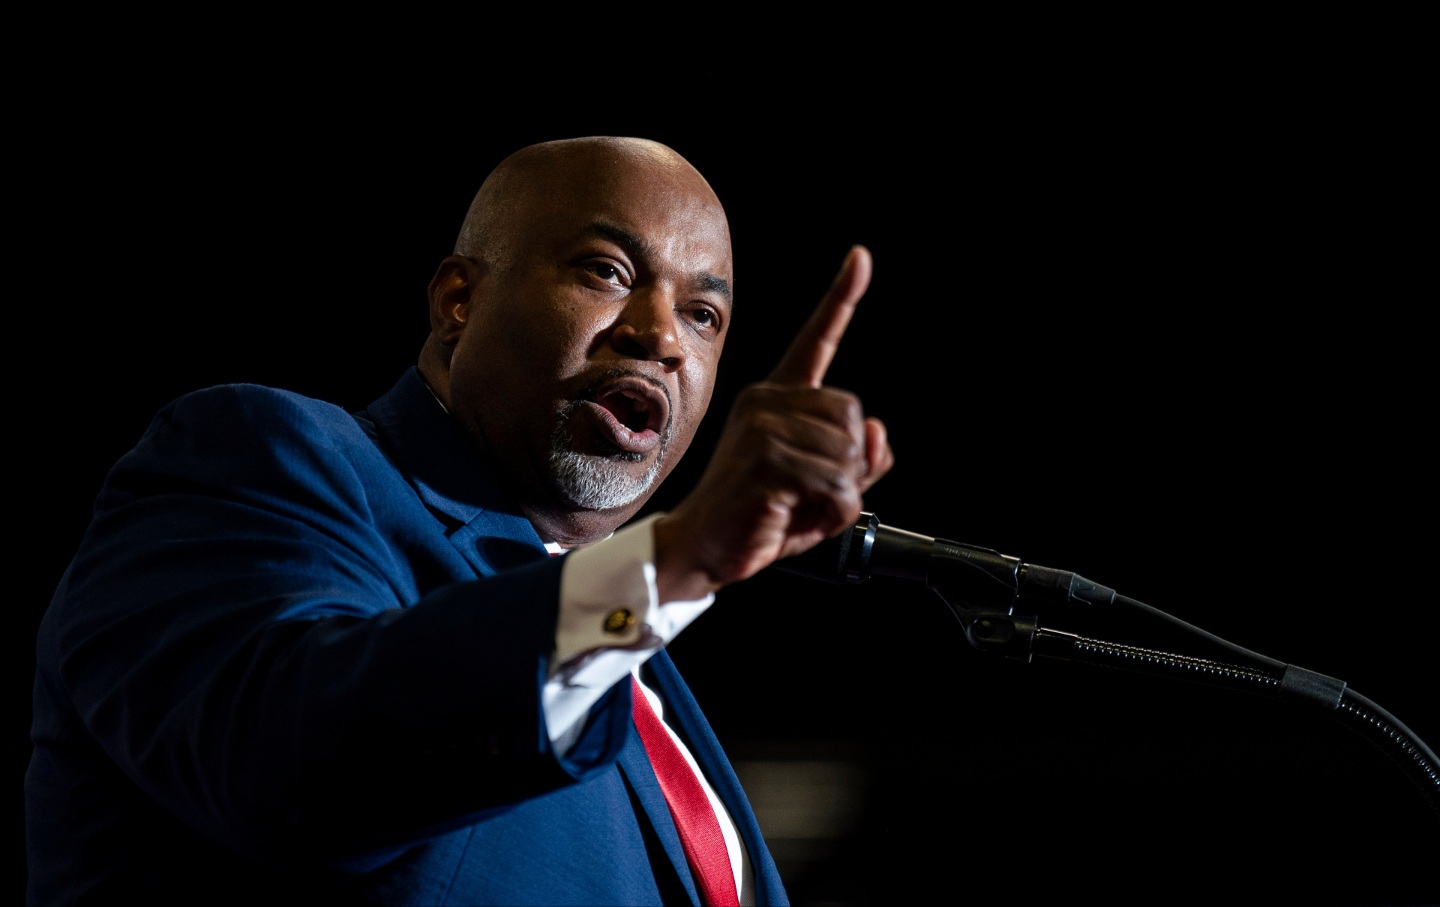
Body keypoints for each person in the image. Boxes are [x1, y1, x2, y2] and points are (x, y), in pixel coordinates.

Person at [25, 135, 893, 906]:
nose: (661, 335)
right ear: (457, 301)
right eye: (607, 272)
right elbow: (288, 763)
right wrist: (677, 561)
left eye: (703, 315)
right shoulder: (261, 456)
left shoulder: (640, 659)